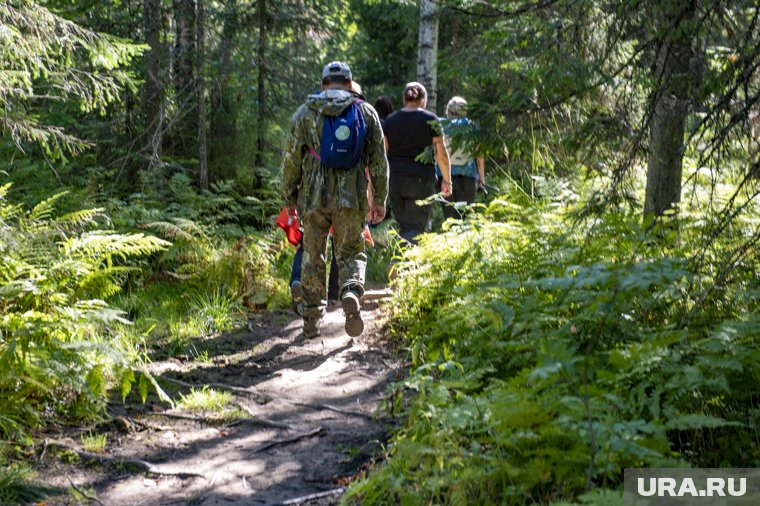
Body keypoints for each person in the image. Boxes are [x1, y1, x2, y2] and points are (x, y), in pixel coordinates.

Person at [281, 61, 388, 339]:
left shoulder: (305, 113)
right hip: (351, 198)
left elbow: (291, 159)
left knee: (313, 255)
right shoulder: (365, 112)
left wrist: (288, 196)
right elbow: (379, 161)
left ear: (323, 85)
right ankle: (350, 291)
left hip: (312, 198)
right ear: (350, 84)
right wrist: (380, 199)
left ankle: (312, 318)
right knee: (351, 251)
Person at [383, 82, 451, 244]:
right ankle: (400, 265)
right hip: (421, 179)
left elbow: (383, 153)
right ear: (424, 99)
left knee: (404, 226)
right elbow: (440, 153)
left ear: (404, 99)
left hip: (394, 179)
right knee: (416, 227)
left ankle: (404, 265)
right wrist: (447, 180)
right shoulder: (430, 119)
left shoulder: (390, 121)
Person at [441, 96, 485, 220]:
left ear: (448, 111)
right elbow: (479, 156)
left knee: (449, 218)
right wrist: (482, 179)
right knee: (464, 216)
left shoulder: (440, 125)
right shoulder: (472, 126)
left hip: (445, 177)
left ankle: (449, 238)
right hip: (468, 177)